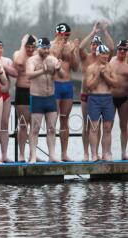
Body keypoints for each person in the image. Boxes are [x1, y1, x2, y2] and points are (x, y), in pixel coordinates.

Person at [79, 21, 115, 161]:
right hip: (85, 95)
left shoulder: (104, 59)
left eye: (97, 44)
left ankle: (98, 153)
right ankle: (86, 153)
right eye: (93, 44)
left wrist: (105, 32)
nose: (94, 46)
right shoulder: (86, 58)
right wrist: (93, 32)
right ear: (91, 46)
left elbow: (111, 48)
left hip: (101, 96)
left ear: (100, 47)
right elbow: (81, 47)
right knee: (87, 125)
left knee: (99, 126)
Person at [26, 38, 64, 164]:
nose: (46, 50)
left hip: (50, 98)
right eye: (44, 48)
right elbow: (29, 74)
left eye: (48, 48)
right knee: (35, 128)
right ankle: (33, 156)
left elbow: (63, 75)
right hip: (37, 97)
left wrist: (58, 69)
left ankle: (52, 155)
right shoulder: (32, 60)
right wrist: (43, 70)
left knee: (52, 128)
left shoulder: (52, 59)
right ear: (38, 48)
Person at [50, 23, 80, 161]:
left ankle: (64, 153)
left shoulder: (70, 46)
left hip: (67, 85)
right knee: (53, 120)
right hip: (54, 85)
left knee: (64, 120)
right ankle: (52, 154)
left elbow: (75, 67)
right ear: (57, 33)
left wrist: (73, 51)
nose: (66, 37)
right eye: (64, 35)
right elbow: (50, 63)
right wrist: (60, 47)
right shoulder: (50, 45)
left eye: (68, 35)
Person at [86, 45, 118, 162]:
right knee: (94, 127)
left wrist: (104, 75)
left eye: (107, 54)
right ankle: (94, 154)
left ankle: (106, 153)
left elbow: (115, 84)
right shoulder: (91, 68)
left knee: (107, 127)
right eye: (103, 54)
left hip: (108, 98)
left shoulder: (110, 68)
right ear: (98, 54)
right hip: (94, 98)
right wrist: (98, 75)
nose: (105, 56)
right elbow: (89, 86)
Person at [12, 34, 37, 162]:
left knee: (34, 125)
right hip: (22, 91)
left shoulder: (37, 55)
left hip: (36, 91)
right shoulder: (18, 53)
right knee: (22, 124)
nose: (30, 49)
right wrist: (23, 44)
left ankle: (33, 154)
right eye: (28, 47)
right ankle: (21, 154)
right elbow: (19, 63)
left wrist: (36, 46)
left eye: (33, 47)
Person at [0, 40, 18, 162]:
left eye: (0, 48)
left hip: (5, 96)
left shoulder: (7, 60)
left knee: (4, 125)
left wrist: (4, 67)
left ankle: (4, 154)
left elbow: (15, 73)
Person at [110, 40, 128, 159]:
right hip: (110, 98)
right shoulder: (111, 60)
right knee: (108, 126)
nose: (122, 51)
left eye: (125, 49)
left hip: (124, 98)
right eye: (120, 49)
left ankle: (123, 152)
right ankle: (107, 152)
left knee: (124, 126)